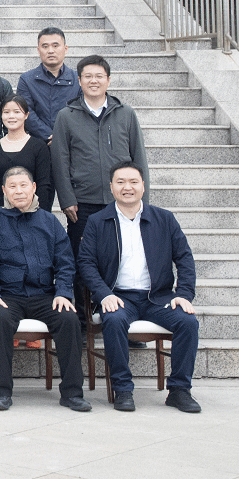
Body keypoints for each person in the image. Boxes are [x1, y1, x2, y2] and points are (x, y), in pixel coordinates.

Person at [78, 162, 201, 413]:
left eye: (133, 182)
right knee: (114, 319)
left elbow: (184, 258)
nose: (127, 187)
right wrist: (104, 294)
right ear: (111, 187)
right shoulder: (98, 221)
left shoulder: (164, 219)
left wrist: (184, 294)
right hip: (119, 296)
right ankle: (123, 389)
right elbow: (86, 263)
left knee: (188, 322)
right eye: (121, 182)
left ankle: (179, 390)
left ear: (143, 186)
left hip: (158, 298)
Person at [0, 165, 91, 413]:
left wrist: (63, 292)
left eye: (23, 185)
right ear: (4, 190)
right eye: (12, 186)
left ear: (34, 187)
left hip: (44, 295)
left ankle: (72, 393)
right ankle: (2, 392)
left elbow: (65, 262)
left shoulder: (49, 221)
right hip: (8, 296)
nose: (18, 191)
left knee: (69, 319)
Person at [52, 55, 151, 316]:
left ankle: (118, 315)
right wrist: (67, 199)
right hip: (83, 203)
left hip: (122, 202)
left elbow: (139, 159)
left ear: (108, 80)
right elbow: (60, 161)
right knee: (81, 260)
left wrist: (143, 202)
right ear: (79, 80)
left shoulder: (125, 113)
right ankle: (83, 318)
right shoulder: (66, 116)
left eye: (99, 76)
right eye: (88, 76)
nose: (93, 81)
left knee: (119, 258)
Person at [0, 96, 54, 221]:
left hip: (32, 215)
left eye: (17, 112)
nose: (11, 116)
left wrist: (42, 217)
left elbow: (44, 185)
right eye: (6, 112)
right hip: (0, 216)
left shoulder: (39, 146)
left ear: (26, 115)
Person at [14, 27, 80, 142]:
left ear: (65, 49)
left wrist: (65, 136)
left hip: (72, 141)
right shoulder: (27, 79)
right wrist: (49, 135)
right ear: (38, 50)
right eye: (45, 46)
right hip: (39, 143)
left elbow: (82, 111)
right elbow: (26, 111)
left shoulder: (78, 79)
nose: (50, 51)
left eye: (55, 46)